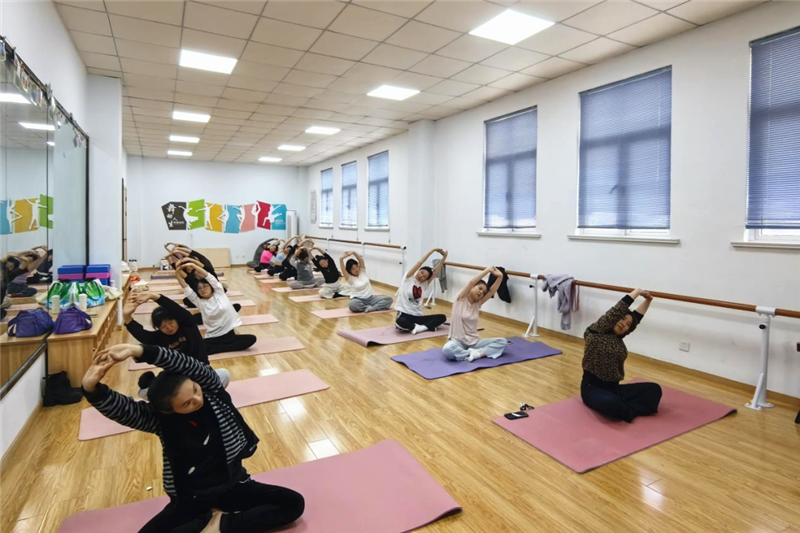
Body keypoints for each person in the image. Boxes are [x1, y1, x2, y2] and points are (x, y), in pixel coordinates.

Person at [82, 344, 305, 533]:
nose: (198, 400)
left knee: (293, 503)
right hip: (192, 499)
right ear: (169, 410)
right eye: (186, 403)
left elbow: (189, 365)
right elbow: (125, 410)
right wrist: (91, 387)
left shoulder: (214, 394)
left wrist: (138, 350)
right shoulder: (161, 420)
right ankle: (206, 519)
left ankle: (222, 523)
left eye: (196, 390)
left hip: (234, 486)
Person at [580, 288, 661, 423]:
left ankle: (622, 408)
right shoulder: (595, 331)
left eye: (628, 324)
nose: (624, 324)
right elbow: (616, 310)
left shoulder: (619, 339)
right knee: (610, 402)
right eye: (622, 319)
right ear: (614, 318)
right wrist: (638, 292)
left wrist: (648, 300)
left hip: (614, 388)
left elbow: (636, 318)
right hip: (592, 388)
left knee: (654, 390)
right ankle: (624, 408)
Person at [177, 258, 257, 356]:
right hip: (213, 337)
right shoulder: (199, 302)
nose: (202, 290)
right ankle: (222, 347)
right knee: (195, 348)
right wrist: (177, 272)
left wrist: (193, 265)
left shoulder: (219, 293)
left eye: (205, 286)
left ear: (211, 287)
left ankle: (219, 348)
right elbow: (186, 288)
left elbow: (209, 277)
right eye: (199, 288)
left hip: (229, 334)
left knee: (251, 339)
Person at [443, 266, 509, 362]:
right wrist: (487, 270)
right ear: (472, 287)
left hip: (475, 343)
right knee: (447, 350)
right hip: (457, 342)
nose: (481, 292)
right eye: (480, 288)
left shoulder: (477, 304)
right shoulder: (460, 299)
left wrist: (500, 277)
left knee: (502, 341)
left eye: (483, 292)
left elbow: (491, 292)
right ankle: (472, 353)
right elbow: (471, 282)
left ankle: (477, 354)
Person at [395, 248, 448, 334]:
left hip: (418, 316)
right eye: (421, 272)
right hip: (405, 314)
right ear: (419, 270)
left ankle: (419, 328)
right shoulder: (408, 278)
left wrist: (444, 257)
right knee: (400, 322)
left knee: (442, 317)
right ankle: (425, 327)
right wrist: (432, 250)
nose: (421, 276)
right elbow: (419, 262)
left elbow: (435, 272)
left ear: (426, 279)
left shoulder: (424, 284)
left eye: (424, 277)